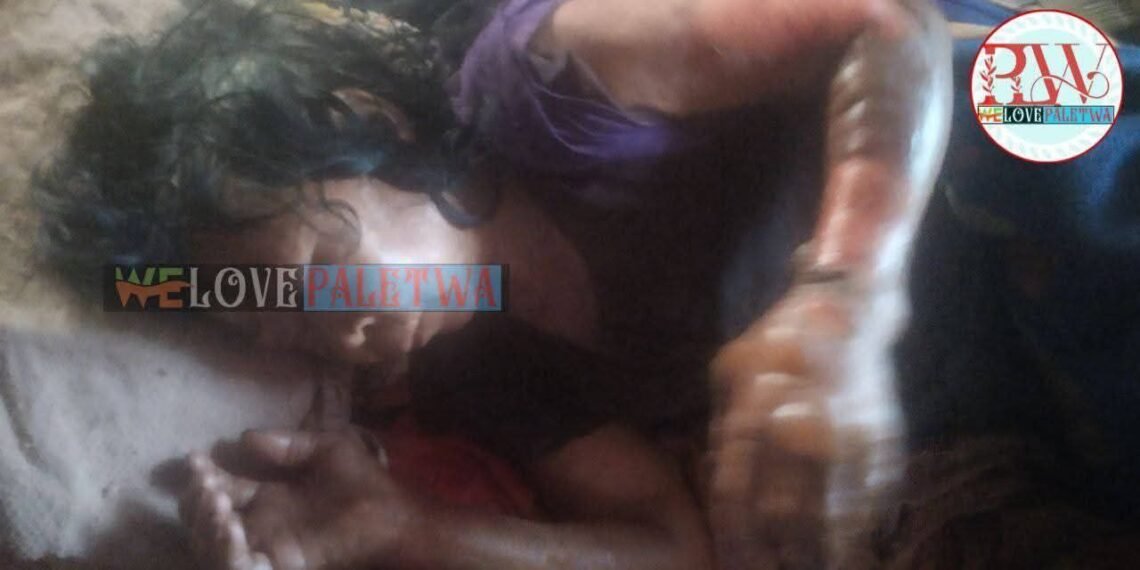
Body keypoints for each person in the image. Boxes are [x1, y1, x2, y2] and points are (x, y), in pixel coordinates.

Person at [34, 0, 949, 568]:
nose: (339, 336)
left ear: (368, 124)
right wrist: (401, 528)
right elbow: (672, 545)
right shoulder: (471, 371)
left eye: (311, 277)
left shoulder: (550, 79)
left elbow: (886, 25)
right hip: (968, 380)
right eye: (285, 331)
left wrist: (844, 300)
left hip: (985, 166)